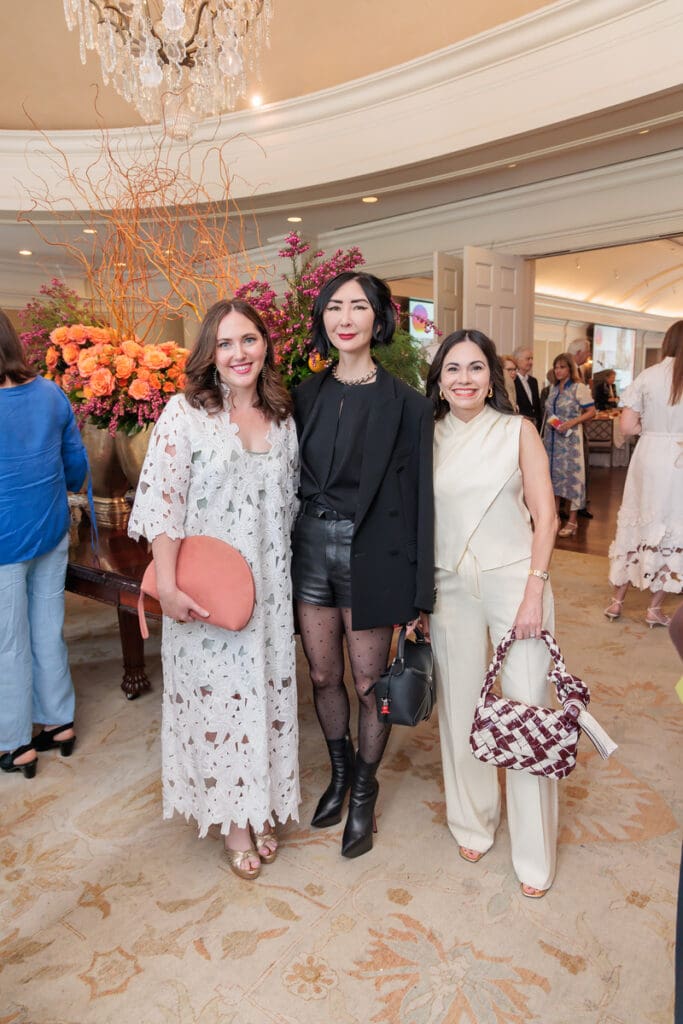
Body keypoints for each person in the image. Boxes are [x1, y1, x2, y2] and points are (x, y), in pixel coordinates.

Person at [128, 299, 300, 880]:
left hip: (269, 591)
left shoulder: (281, 417)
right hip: (206, 593)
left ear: (265, 345)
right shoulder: (185, 414)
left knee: (265, 699)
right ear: (209, 353)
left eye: (249, 339)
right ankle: (235, 823)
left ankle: (259, 802)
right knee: (219, 705)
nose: (239, 353)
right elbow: (162, 506)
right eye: (225, 343)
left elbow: (289, 507)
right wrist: (167, 587)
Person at [292, 271, 434, 859]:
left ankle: (365, 792)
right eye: (334, 307)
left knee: (370, 682)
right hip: (310, 550)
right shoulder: (303, 395)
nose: (344, 317)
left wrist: (421, 596)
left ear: (379, 318)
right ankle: (340, 771)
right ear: (322, 319)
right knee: (323, 677)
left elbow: (421, 502)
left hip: (372, 554)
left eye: (357, 306)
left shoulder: (408, 404)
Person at [420, 329, 558, 898]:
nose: (464, 379)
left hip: (516, 583)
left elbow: (546, 517)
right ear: (439, 380)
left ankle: (535, 853)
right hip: (449, 586)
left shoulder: (517, 430)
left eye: (475, 368)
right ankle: (472, 820)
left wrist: (534, 591)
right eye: (452, 369)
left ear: (491, 377)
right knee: (462, 710)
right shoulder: (425, 435)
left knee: (528, 711)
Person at [0, 308, 88, 778]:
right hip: (50, 531)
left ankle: (14, 743)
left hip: (4, 543)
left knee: (7, 643)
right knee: (46, 629)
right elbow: (76, 464)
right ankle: (59, 723)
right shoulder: (51, 393)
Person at [604, 321, 683, 627]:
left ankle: (616, 601)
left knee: (637, 519)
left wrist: (648, 430)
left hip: (648, 454)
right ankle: (654, 608)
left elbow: (626, 426)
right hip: (678, 458)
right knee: (672, 526)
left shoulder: (648, 376)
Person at [543, 352, 595, 538]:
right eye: (556, 367)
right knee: (553, 479)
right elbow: (549, 412)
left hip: (571, 441)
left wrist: (572, 422)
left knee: (572, 479)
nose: (558, 371)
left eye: (562, 367)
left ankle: (572, 521)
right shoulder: (553, 388)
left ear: (570, 369)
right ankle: (555, 518)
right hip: (552, 440)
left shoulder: (579, 388)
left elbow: (591, 412)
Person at [513, 346, 542, 431]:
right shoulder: (512, 381)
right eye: (528, 359)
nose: (531, 362)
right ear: (517, 360)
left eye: (532, 359)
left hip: (534, 426)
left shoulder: (533, 381)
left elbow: (537, 406)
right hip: (519, 425)